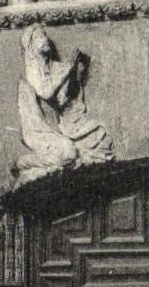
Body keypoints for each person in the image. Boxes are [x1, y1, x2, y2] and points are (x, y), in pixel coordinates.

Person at [15, 27, 113, 183]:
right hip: (39, 129)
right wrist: (68, 68)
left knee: (98, 139)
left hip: (59, 124)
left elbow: (60, 101)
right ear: (30, 46)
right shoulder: (31, 71)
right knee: (68, 153)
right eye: (39, 37)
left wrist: (76, 75)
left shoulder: (54, 68)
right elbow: (45, 92)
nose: (45, 38)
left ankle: (59, 162)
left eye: (45, 35)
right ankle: (23, 162)